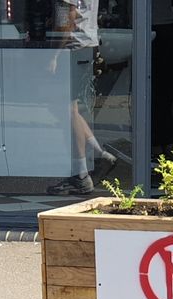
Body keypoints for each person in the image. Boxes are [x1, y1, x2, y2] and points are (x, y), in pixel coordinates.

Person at [47, 0, 118, 195]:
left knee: (69, 111)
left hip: (73, 47)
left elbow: (67, 18)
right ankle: (100, 154)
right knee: (72, 110)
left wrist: (54, 54)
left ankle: (81, 175)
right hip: (87, 45)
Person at [152, 0, 173, 154]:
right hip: (163, 26)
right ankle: (163, 137)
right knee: (163, 87)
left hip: (160, 26)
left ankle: (160, 137)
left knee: (159, 88)